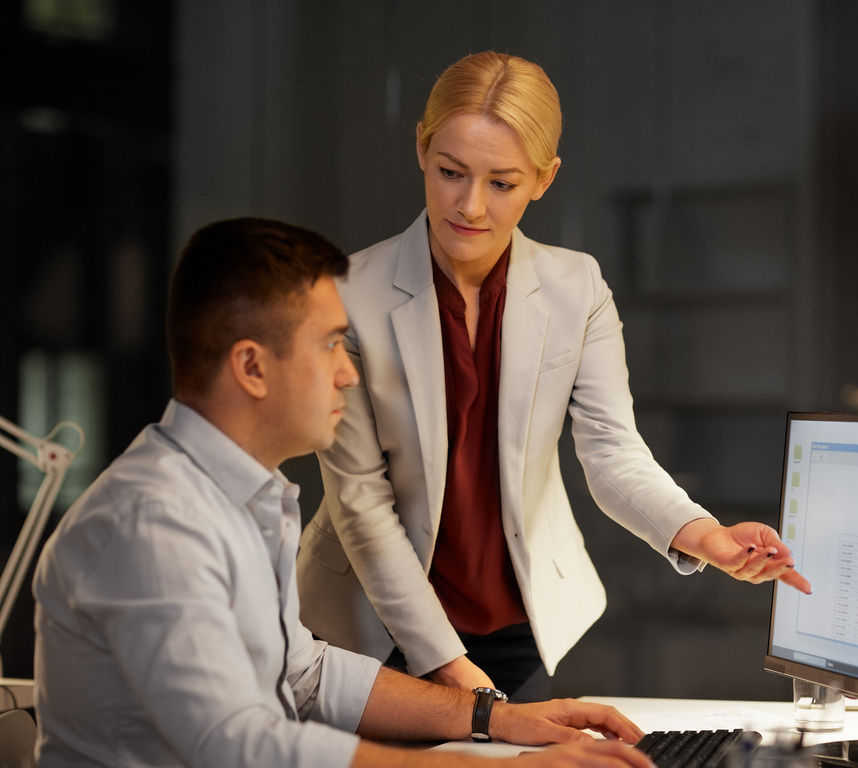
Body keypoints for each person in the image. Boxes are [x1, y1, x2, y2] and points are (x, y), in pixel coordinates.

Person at [32, 218, 651, 768]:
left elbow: (303, 673)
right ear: (252, 368)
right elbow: (235, 744)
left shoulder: (244, 498)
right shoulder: (153, 523)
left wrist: (495, 717)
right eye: (330, 343)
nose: (349, 371)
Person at [296, 51, 813, 704]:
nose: (471, 206)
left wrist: (706, 536)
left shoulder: (577, 288)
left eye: (502, 183)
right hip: (369, 622)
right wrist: (447, 667)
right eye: (451, 172)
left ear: (544, 178)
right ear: (421, 149)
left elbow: (612, 452)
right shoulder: (349, 294)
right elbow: (361, 504)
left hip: (513, 619)